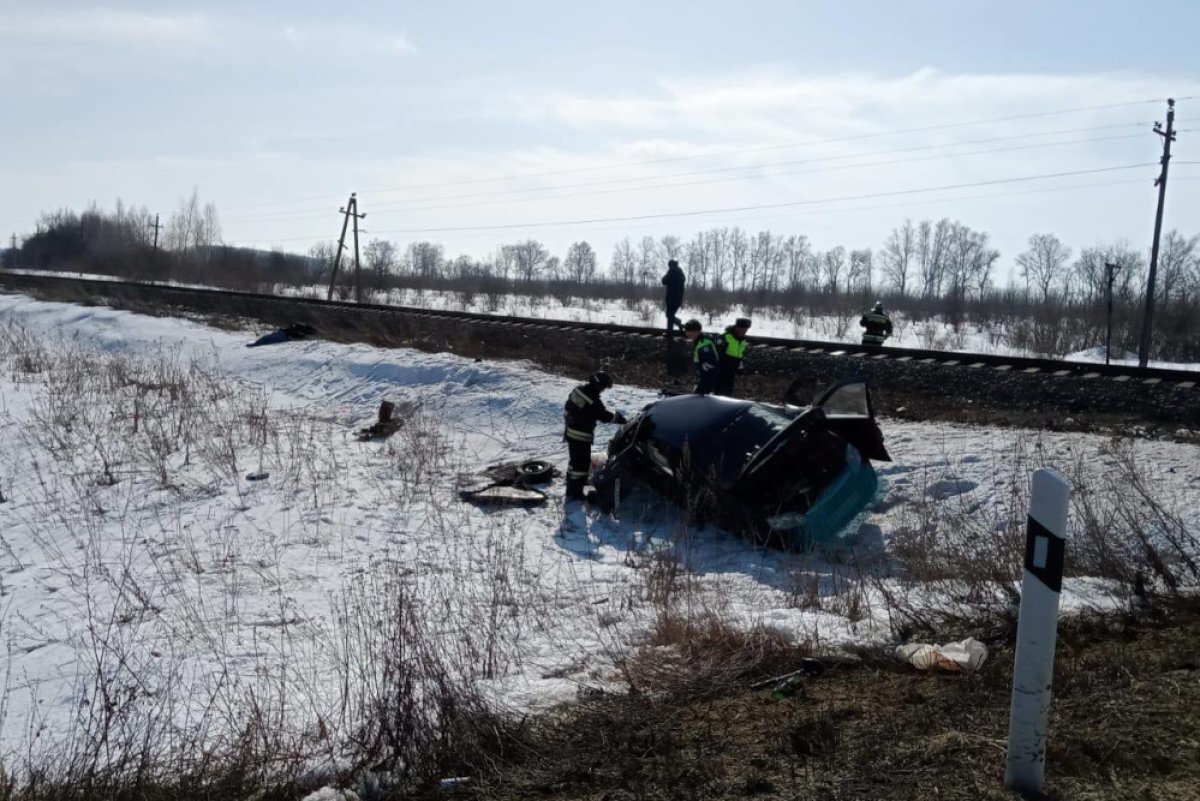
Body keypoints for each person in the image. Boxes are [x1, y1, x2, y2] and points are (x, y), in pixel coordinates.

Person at [562, 371, 627, 501]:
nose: (602, 390)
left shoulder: (578, 390)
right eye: (603, 387)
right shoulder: (592, 400)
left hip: (571, 432)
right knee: (581, 465)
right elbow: (603, 415)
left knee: (574, 463)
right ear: (598, 385)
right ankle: (576, 493)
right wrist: (619, 419)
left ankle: (571, 488)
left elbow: (569, 406)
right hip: (581, 436)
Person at [682, 319, 720, 395]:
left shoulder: (704, 343)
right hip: (703, 376)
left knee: (698, 397)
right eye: (686, 331)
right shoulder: (699, 341)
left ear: (696, 331)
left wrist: (702, 371)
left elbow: (711, 362)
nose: (687, 334)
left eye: (689, 331)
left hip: (707, 377)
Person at [715, 317, 751, 396]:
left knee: (728, 391)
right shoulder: (725, 337)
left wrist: (740, 366)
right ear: (736, 327)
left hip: (732, 370)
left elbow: (740, 353)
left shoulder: (743, 340)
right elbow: (717, 354)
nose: (743, 332)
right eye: (741, 330)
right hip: (722, 370)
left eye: (745, 330)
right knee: (720, 391)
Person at [661, 258, 686, 337]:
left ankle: (678, 323)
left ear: (670, 265)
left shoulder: (672, 272)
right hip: (678, 299)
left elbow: (664, 281)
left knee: (669, 315)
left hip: (671, 298)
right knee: (670, 315)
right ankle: (670, 333)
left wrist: (667, 273)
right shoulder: (681, 273)